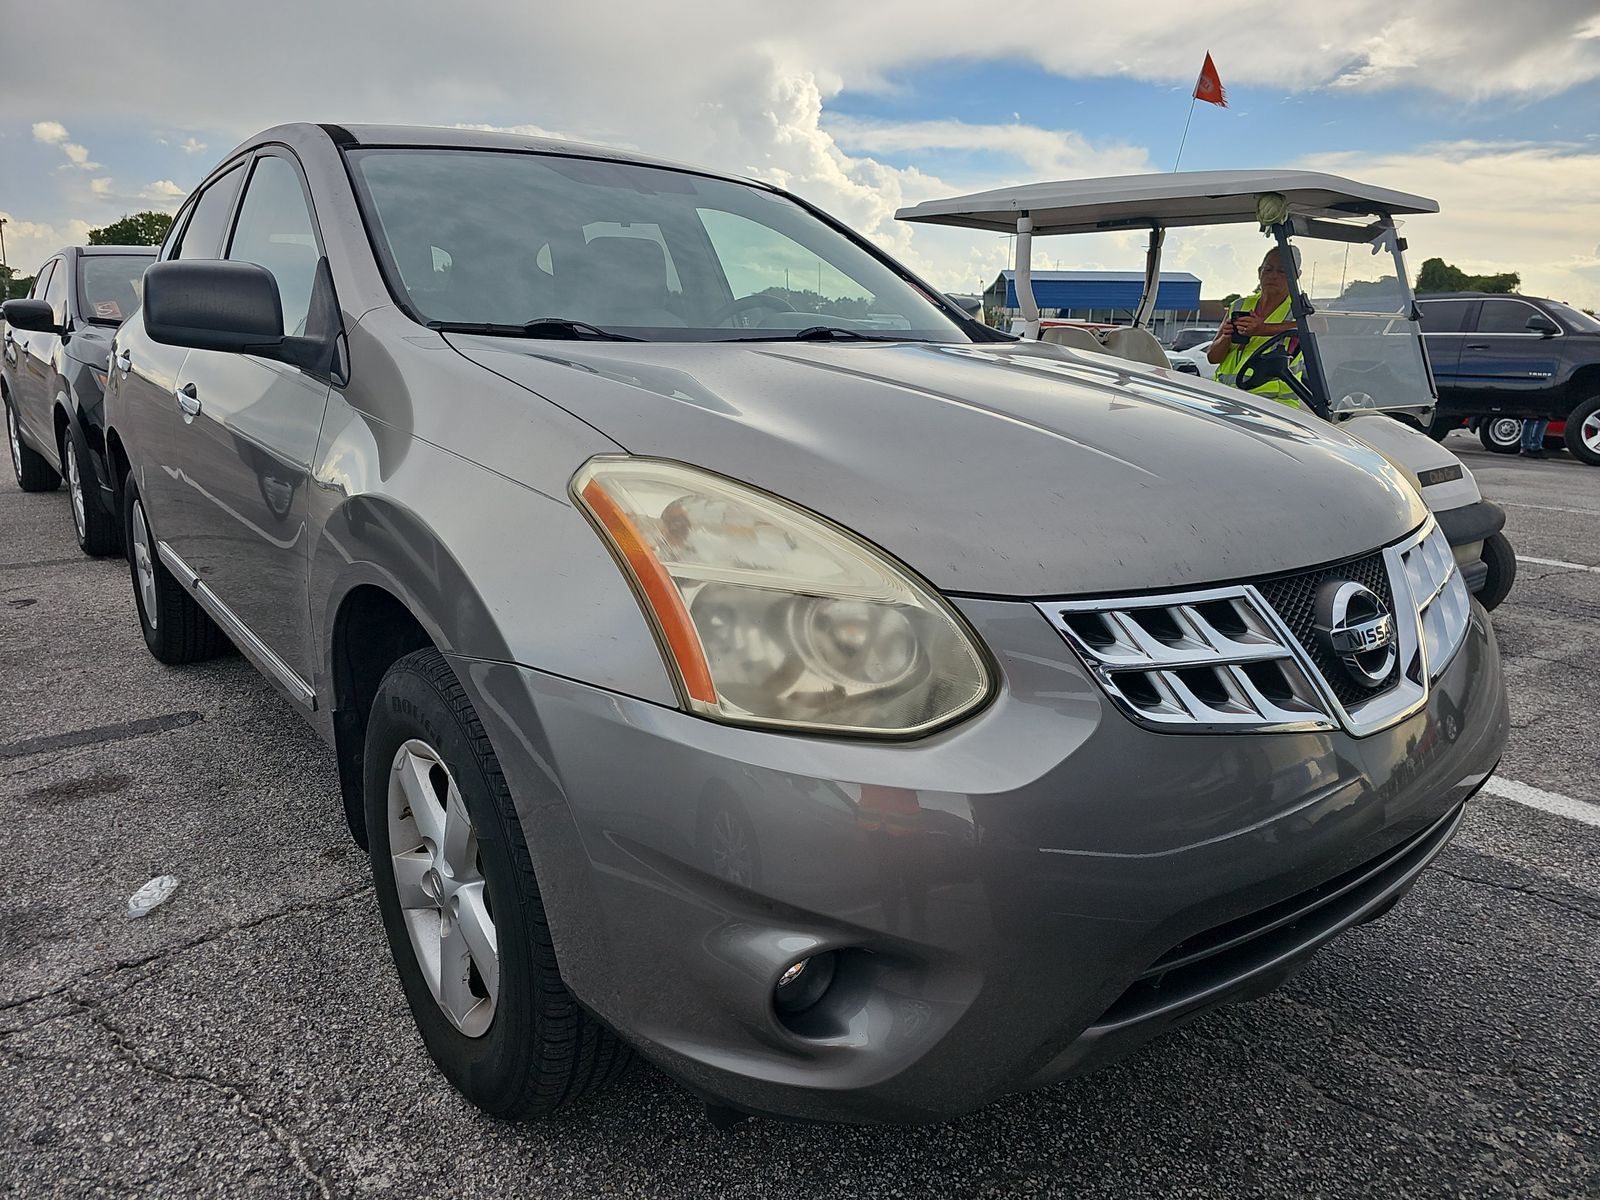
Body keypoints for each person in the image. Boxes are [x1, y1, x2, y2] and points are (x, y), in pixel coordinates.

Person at [1207, 246, 1301, 407]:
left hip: (1274, 406)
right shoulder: (1239, 305)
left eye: (1282, 271)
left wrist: (1263, 329)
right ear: (1259, 272)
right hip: (1227, 399)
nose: (1273, 276)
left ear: (1296, 276)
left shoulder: (1299, 309)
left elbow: (1320, 327)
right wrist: (1226, 337)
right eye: (1268, 269)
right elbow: (1212, 358)